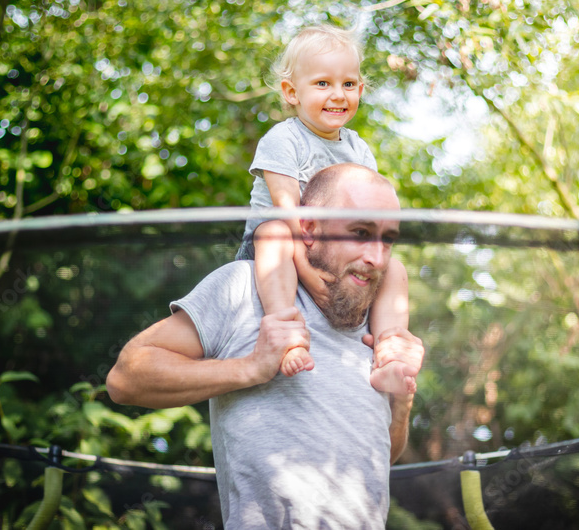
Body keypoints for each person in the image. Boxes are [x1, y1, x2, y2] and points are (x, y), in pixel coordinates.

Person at [106, 164, 424, 529]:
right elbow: (125, 377)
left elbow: (385, 454)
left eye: (388, 239)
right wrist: (251, 367)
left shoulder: (382, 327)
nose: (377, 258)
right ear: (308, 228)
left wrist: (402, 400)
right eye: (360, 232)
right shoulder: (245, 288)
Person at [236, 24, 413, 395]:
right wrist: (306, 270)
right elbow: (287, 210)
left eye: (348, 85)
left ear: (360, 90)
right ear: (291, 93)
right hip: (280, 244)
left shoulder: (358, 149)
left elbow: (370, 211)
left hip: (331, 248)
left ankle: (389, 350)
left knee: (394, 267)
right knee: (273, 231)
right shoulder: (283, 140)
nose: (338, 95)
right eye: (322, 84)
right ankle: (286, 331)